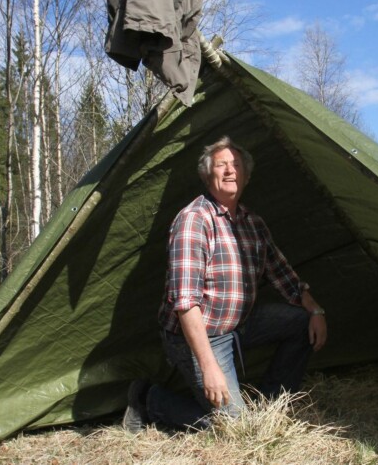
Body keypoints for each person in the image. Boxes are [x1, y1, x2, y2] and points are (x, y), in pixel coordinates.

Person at [123, 136, 328, 432]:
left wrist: (316, 310)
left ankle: (268, 403)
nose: (230, 171)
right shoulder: (194, 220)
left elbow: (284, 275)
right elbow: (185, 304)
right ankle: (149, 399)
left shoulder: (253, 223)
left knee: (301, 321)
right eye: (222, 165)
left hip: (239, 325)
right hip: (196, 335)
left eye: (236, 165)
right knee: (235, 429)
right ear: (209, 175)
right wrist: (209, 367)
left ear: (246, 175)